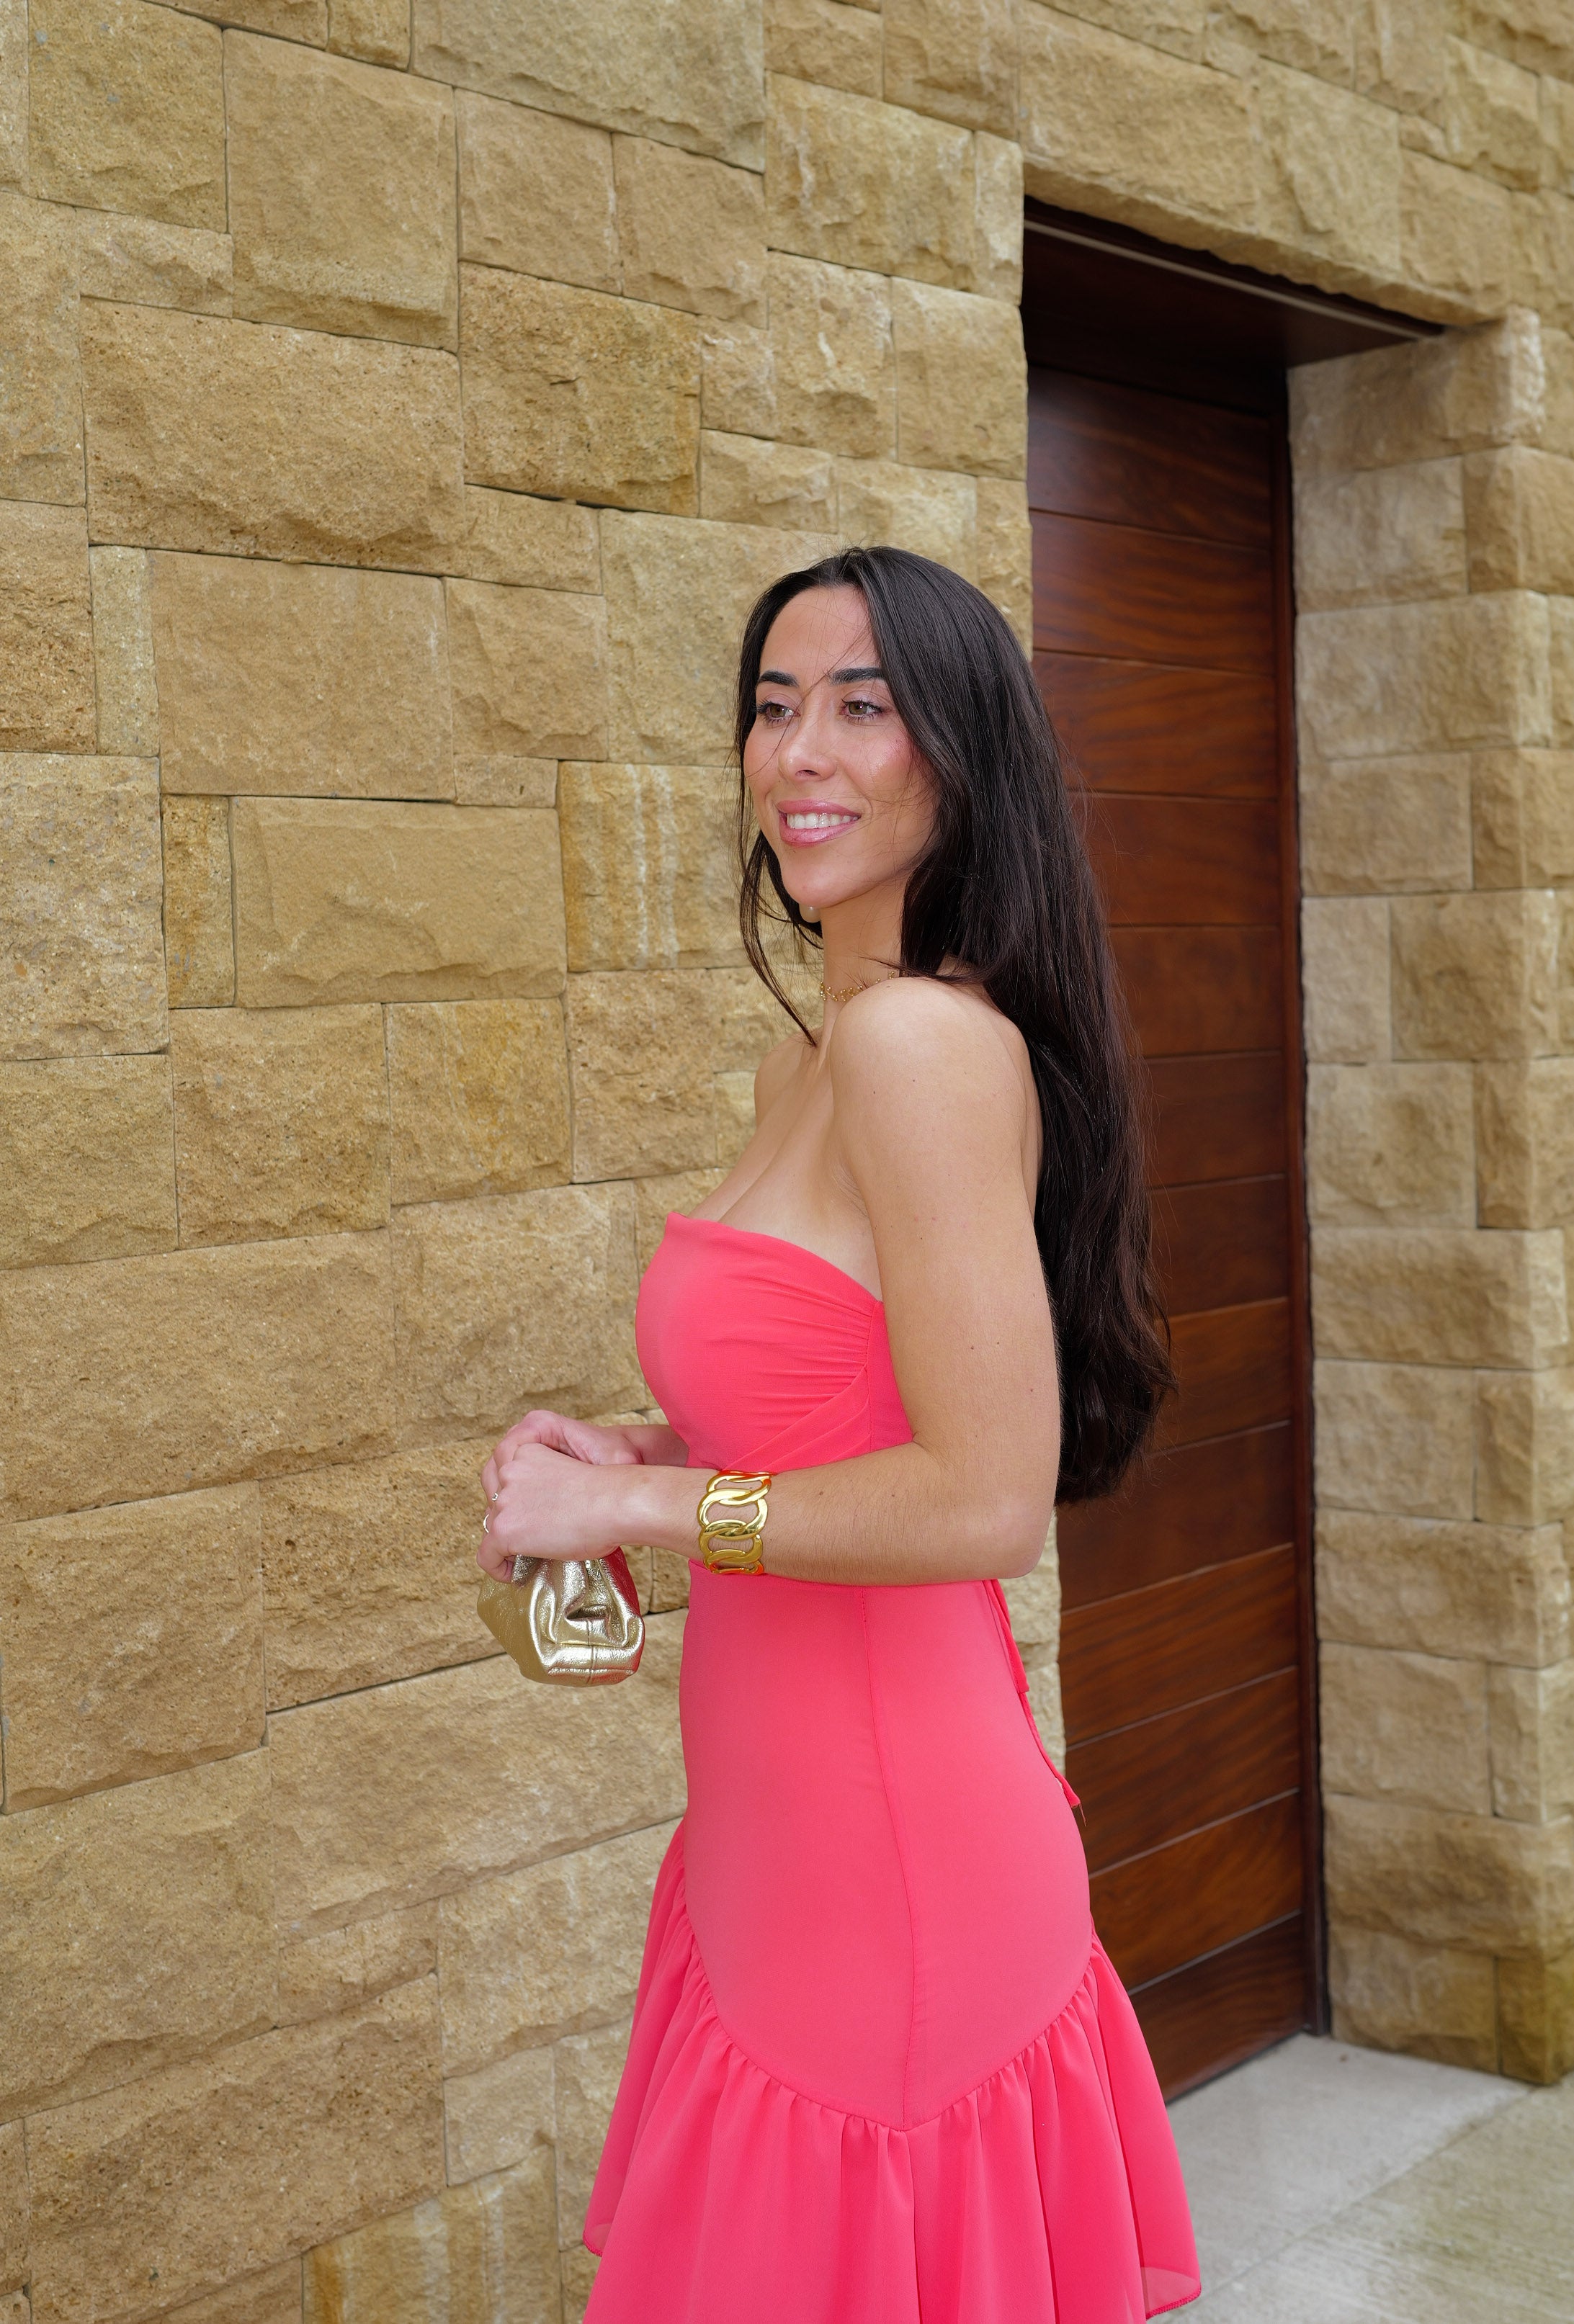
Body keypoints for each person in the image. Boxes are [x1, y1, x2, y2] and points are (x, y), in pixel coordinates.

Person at [478, 547, 1200, 2320]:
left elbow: (982, 1497)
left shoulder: (923, 1055)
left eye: (862, 709)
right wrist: (635, 1445)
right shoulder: (819, 1053)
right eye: (772, 705)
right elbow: (844, 1405)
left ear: (958, 758)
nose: (800, 750)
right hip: (770, 1840)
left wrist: (642, 1504)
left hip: (892, 1864)